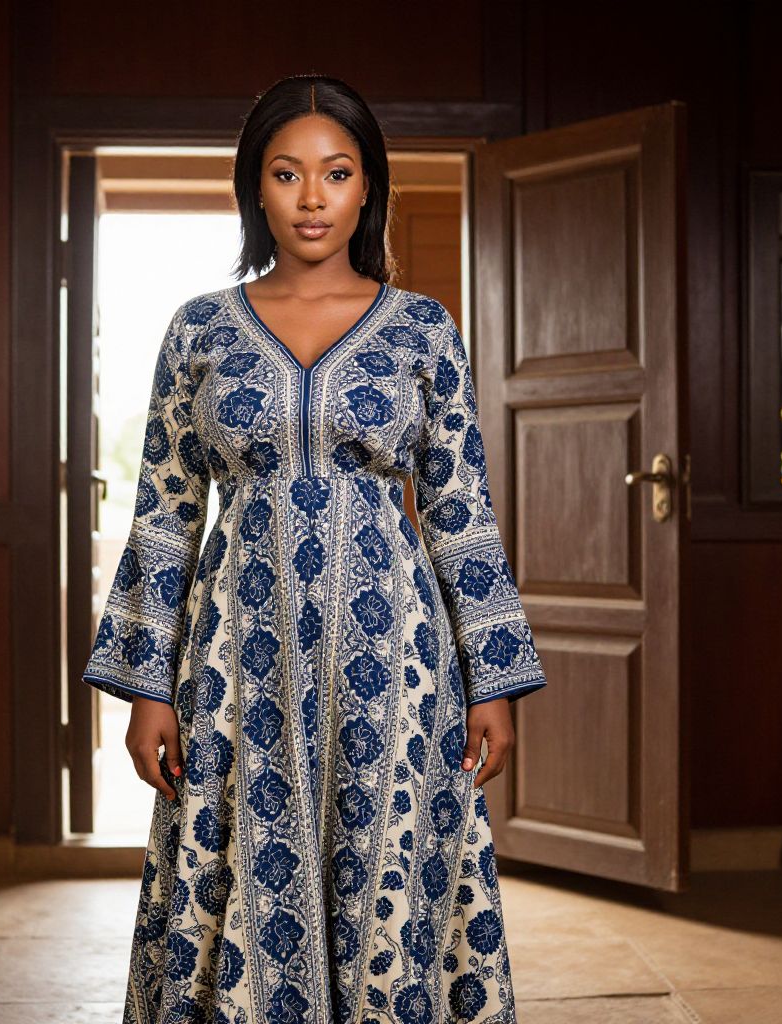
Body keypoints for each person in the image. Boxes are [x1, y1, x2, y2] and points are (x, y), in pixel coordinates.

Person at [83, 73, 547, 1024]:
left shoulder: (423, 331)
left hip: (395, 667)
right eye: (286, 173)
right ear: (255, 187)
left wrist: (494, 681)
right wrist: (143, 690)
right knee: (236, 871)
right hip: (232, 667)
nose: (311, 197)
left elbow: (463, 511)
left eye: (335, 173)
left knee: (393, 883)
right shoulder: (199, 329)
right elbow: (165, 510)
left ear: (367, 186)